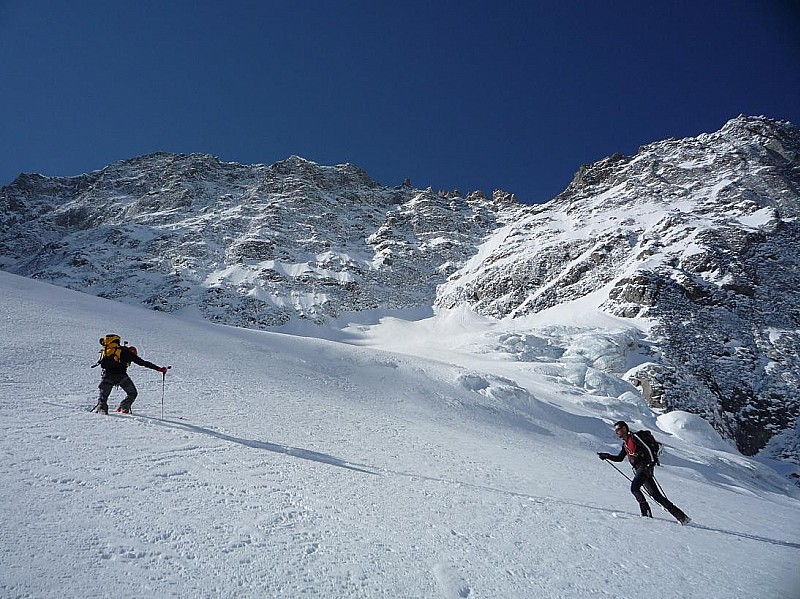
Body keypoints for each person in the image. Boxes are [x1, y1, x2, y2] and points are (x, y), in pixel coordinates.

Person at [598, 420, 691, 525]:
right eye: (616, 430)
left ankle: (646, 514)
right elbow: (619, 458)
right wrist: (607, 456)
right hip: (640, 469)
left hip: (644, 467)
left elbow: (648, 450)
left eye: (618, 429)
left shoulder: (634, 438)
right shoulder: (625, 444)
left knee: (634, 488)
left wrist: (650, 464)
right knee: (656, 495)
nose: (616, 432)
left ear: (624, 428)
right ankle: (682, 517)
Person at [94, 334, 168, 415]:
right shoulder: (126, 352)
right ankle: (124, 407)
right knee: (132, 393)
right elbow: (142, 362)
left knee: (103, 397)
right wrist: (159, 369)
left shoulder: (108, 350)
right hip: (121, 377)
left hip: (107, 376)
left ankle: (102, 410)